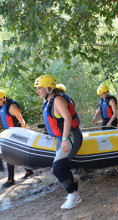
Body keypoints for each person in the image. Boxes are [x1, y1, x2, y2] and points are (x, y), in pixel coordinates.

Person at [34, 75, 83, 209]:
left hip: (71, 136)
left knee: (57, 168)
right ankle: (75, 194)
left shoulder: (58, 100)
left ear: (49, 88)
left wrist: (65, 140)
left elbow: (67, 119)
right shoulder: (49, 100)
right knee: (63, 166)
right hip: (61, 137)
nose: (38, 91)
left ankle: (72, 194)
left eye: (40, 88)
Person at [0, 89, 33, 188]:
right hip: (9, 133)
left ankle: (10, 180)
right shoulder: (2, 106)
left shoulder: (12, 106)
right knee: (17, 154)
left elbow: (22, 121)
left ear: (4, 98)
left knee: (8, 154)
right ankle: (28, 170)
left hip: (16, 133)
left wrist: (25, 134)